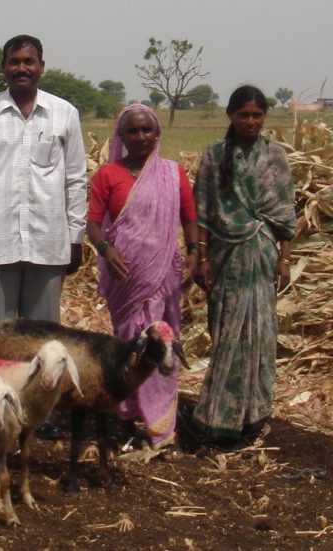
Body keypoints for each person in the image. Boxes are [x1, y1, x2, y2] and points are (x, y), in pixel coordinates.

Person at [86, 103, 198, 454]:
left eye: (146, 130)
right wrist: (106, 249)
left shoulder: (172, 173)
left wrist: (195, 253)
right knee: (129, 347)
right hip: (126, 279)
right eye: (132, 131)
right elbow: (92, 222)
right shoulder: (108, 175)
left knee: (160, 347)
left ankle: (161, 428)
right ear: (120, 137)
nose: (140, 137)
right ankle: (128, 417)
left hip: (163, 274)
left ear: (157, 133)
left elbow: (189, 216)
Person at [0, 34, 87, 333]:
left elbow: (76, 179)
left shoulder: (64, 113)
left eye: (29, 61)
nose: (22, 68)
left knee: (43, 339)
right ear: (3, 67)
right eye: (14, 62)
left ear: (42, 66)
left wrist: (75, 237)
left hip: (48, 242)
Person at [192, 86, 296, 444]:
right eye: (243, 115)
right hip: (225, 256)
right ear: (231, 116)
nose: (250, 122)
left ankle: (254, 414)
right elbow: (203, 210)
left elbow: (284, 214)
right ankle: (219, 417)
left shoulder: (275, 156)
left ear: (264, 116)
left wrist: (284, 260)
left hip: (263, 254)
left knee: (260, 336)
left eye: (256, 115)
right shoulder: (215, 155)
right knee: (226, 335)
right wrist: (202, 258)